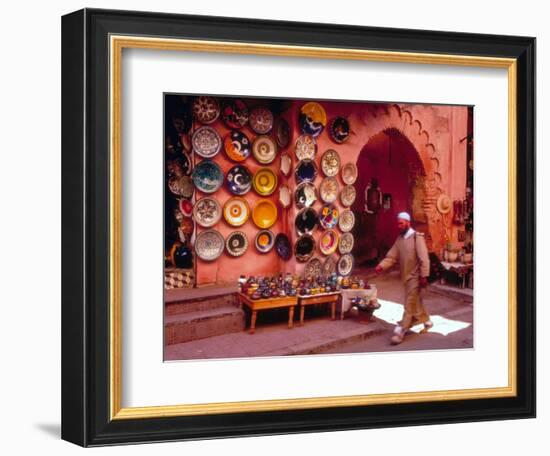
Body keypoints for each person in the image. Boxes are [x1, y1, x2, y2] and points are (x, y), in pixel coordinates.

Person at [374, 212, 433, 344]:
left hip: (416, 277)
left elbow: (424, 259)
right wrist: (381, 266)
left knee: (409, 303)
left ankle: (401, 331)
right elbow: (392, 257)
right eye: (398, 223)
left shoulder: (416, 238)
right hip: (406, 277)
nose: (399, 226)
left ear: (408, 222)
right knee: (415, 301)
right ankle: (427, 321)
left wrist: (424, 276)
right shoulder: (400, 239)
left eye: (401, 223)